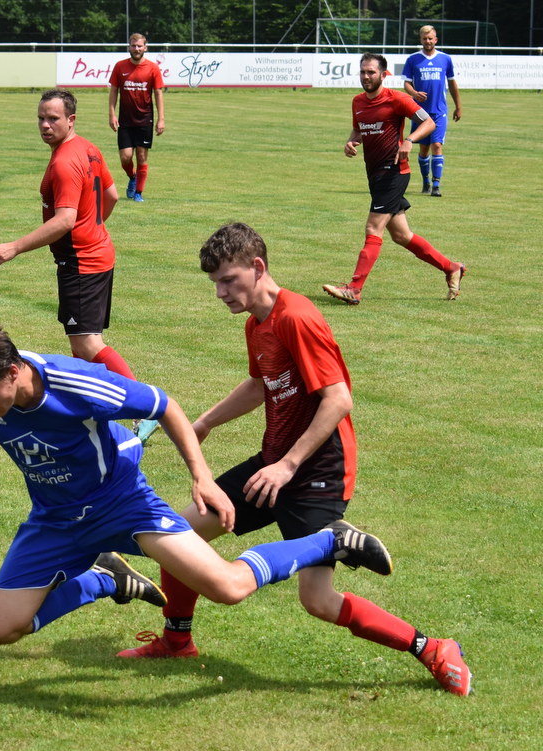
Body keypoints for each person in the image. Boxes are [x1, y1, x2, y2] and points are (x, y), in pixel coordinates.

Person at [0, 320, 394, 649]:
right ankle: (106, 579)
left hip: (120, 505)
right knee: (0, 630)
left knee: (228, 587)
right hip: (55, 519)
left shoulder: (75, 384)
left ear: (15, 372)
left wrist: (202, 478)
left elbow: (164, 405)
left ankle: (329, 541)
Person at [117, 223, 472, 697]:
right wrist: (204, 424)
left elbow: (338, 399)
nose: (220, 293)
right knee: (182, 534)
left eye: (228, 280)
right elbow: (258, 385)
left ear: (258, 267)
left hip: (316, 471)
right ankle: (177, 640)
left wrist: (287, 466)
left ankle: (432, 648)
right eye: (215, 283)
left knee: (318, 601)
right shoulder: (257, 324)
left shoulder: (297, 317)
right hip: (274, 464)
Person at [0, 90, 158, 442]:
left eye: (53, 119)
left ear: (71, 120)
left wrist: (15, 247)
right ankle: (87, 408)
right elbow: (110, 196)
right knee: (80, 346)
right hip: (96, 253)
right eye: (41, 118)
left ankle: (145, 409)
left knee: (88, 343)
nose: (45, 125)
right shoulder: (88, 148)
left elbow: (64, 220)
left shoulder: (64, 162)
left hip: (82, 261)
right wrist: (94, 225)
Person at [322, 53, 465, 306]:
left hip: (394, 172)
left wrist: (409, 140)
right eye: (363, 72)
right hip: (375, 175)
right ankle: (451, 267)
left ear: (383, 74)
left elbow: (428, 123)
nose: (366, 76)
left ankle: (354, 288)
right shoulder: (358, 102)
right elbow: (359, 129)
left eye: (371, 72)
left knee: (372, 229)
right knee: (402, 235)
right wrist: (351, 142)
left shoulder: (397, 99)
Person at [403, 25, 462, 197]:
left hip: (439, 111)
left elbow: (452, 83)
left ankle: (436, 185)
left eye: (430, 38)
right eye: (425, 38)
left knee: (437, 145)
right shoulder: (413, 59)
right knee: (423, 149)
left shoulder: (445, 59)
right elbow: (406, 83)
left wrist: (458, 106)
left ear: (436, 40)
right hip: (420, 113)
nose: (428, 41)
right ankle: (426, 182)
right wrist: (414, 94)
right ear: (420, 40)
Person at [108, 33, 166, 203]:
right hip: (125, 120)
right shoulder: (120, 66)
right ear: (129, 47)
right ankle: (132, 177)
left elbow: (158, 93)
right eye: (133, 46)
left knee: (141, 156)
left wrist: (161, 119)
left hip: (145, 119)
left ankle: (138, 192)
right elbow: (114, 91)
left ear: (145, 47)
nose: (136, 49)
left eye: (140, 46)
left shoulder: (153, 68)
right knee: (125, 157)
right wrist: (112, 114)